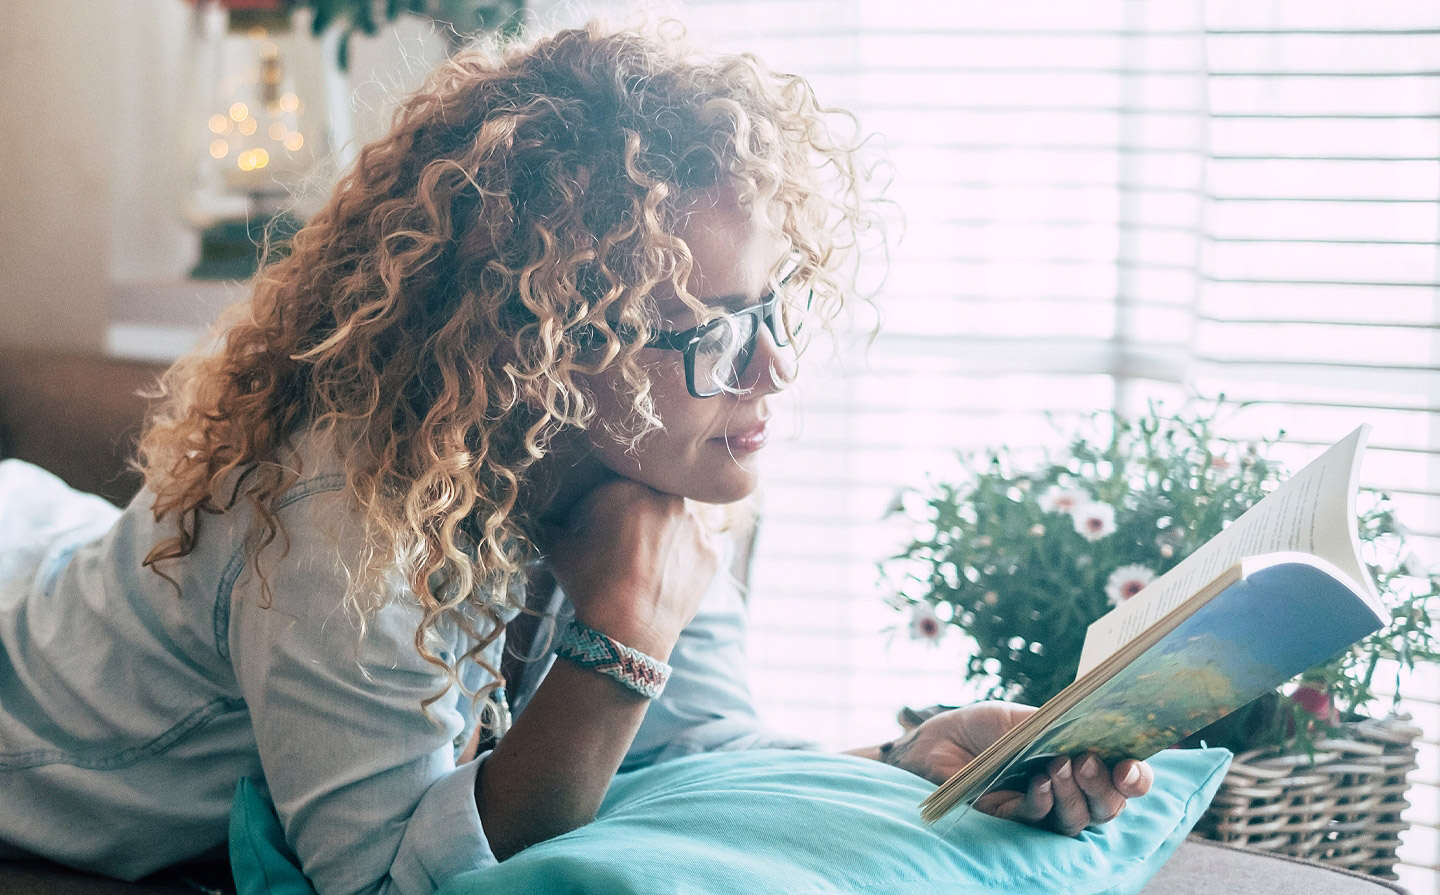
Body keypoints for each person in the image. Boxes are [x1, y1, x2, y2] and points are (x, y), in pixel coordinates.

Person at [0, 20, 1153, 895]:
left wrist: (911, 757)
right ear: (541, 341)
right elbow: (390, 873)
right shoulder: (346, 515)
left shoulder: (654, 471)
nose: (772, 372)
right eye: (711, 332)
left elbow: (686, 750)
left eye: (769, 309)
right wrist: (622, 644)